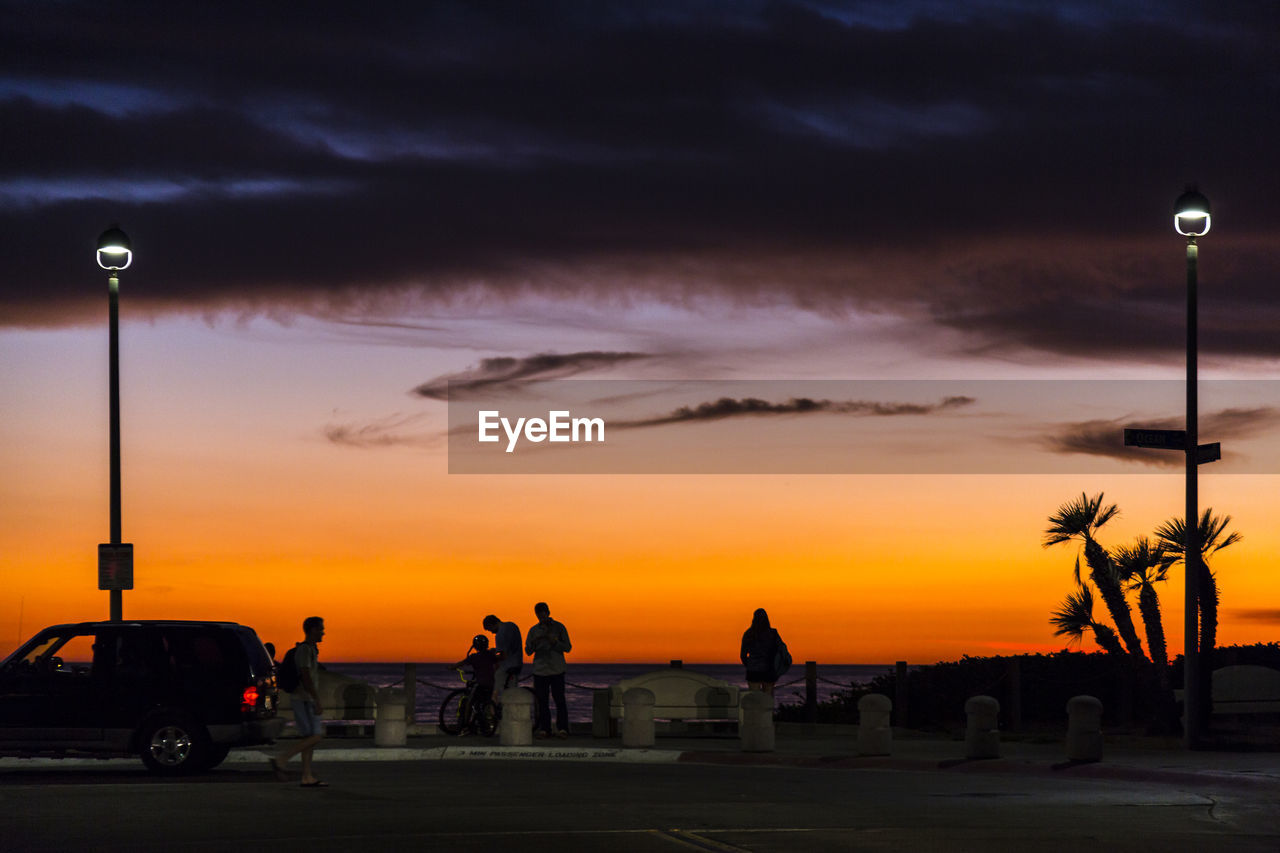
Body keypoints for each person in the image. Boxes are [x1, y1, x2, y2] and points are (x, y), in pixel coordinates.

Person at [272, 616, 328, 787]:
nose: (323, 633)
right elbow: (306, 676)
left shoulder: (310, 649)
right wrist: (316, 699)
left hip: (304, 698)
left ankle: (307, 776)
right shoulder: (304, 650)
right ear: (312, 630)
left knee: (309, 738)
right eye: (320, 629)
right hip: (304, 699)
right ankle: (282, 759)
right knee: (316, 735)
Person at [524, 602, 572, 739]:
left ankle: (563, 728)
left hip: (557, 669)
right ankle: (545, 729)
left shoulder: (559, 627)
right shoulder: (533, 630)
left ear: (548, 612)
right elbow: (528, 651)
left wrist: (555, 642)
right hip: (540, 670)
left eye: (543, 613)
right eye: (538, 614)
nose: (541, 616)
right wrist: (535, 642)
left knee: (559, 700)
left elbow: (568, 647)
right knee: (542, 701)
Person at [453, 634, 501, 720]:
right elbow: (497, 663)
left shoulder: (474, 657)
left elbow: (462, 663)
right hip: (492, 683)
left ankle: (466, 722)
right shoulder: (490, 655)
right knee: (488, 700)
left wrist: (451, 667)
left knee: (470, 701)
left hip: (481, 684)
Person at [740, 608, 786, 696]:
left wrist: (749, 665)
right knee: (768, 700)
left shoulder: (748, 634)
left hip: (753, 671)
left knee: (754, 699)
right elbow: (781, 649)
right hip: (769, 670)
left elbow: (743, 655)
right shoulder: (773, 633)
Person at [483, 614, 522, 695]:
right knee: (511, 690)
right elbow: (510, 646)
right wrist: (497, 650)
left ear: (492, 624)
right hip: (518, 663)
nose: (492, 632)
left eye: (490, 629)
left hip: (508, 666)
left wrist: (492, 658)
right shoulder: (512, 625)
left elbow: (503, 656)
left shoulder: (499, 635)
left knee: (496, 692)